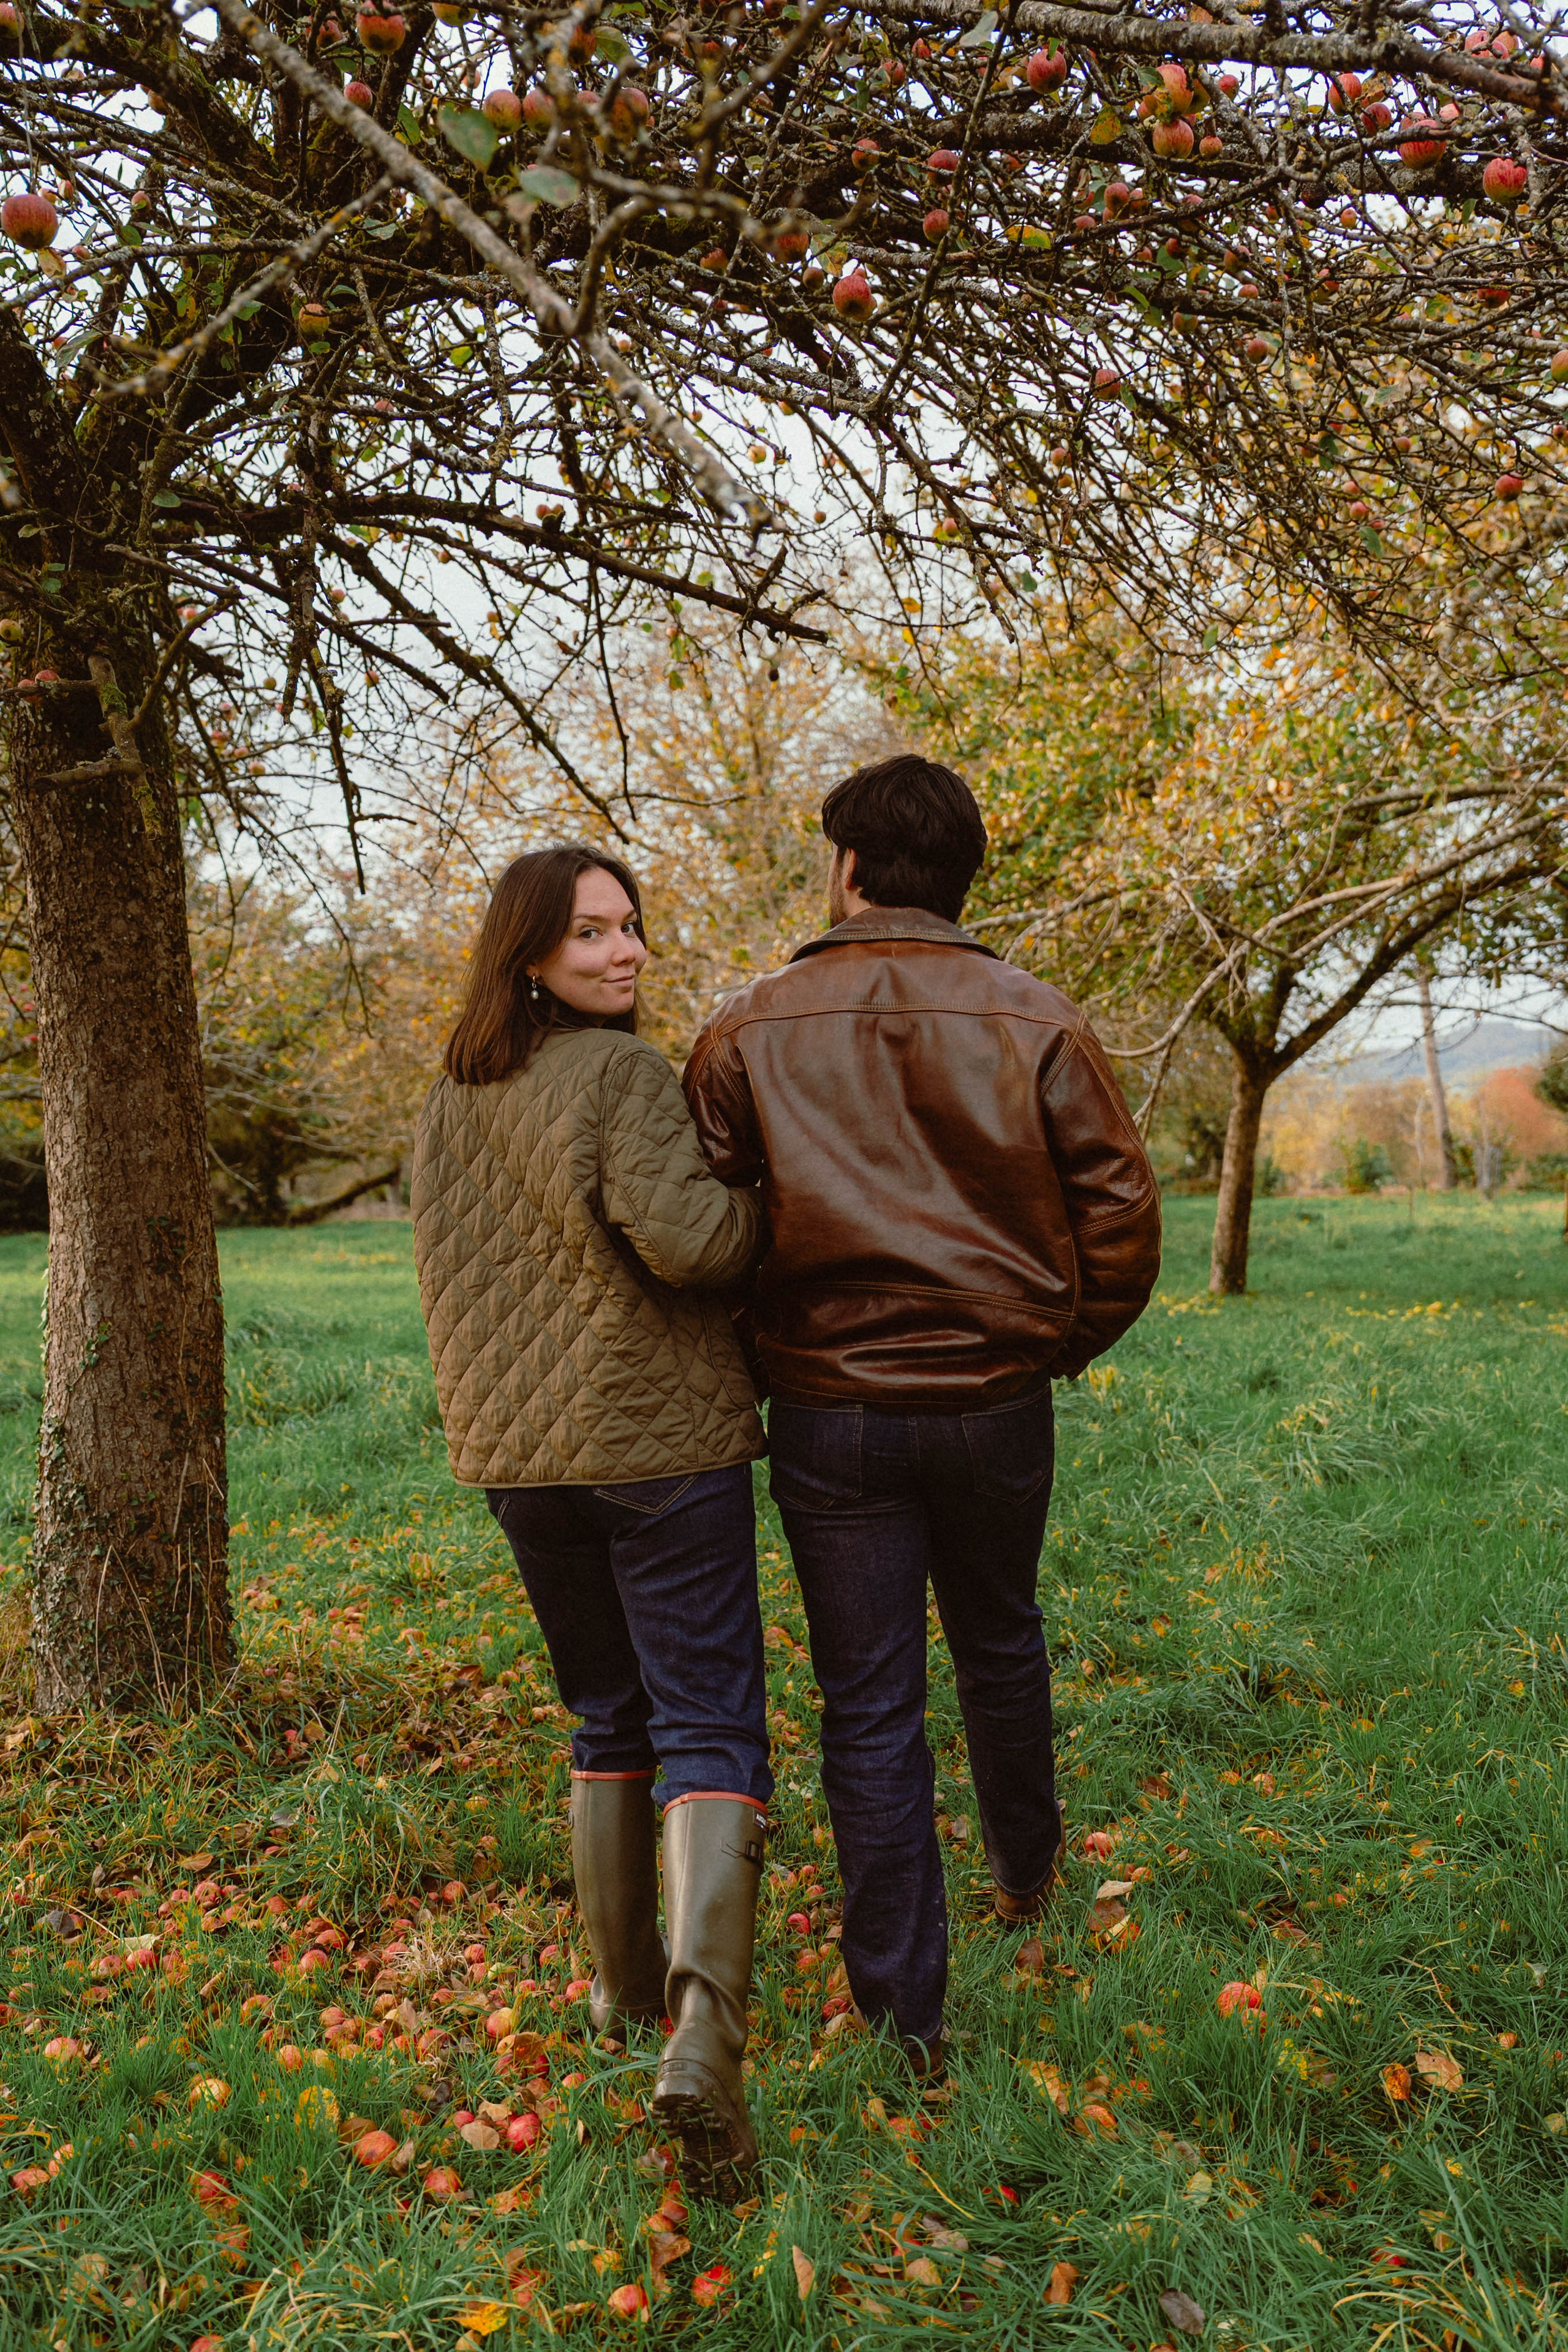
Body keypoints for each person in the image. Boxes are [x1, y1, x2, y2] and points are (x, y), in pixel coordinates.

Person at [684, 756, 1161, 2074]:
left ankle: (904, 2019)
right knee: (999, 1634)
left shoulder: (742, 1028)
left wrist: (767, 1348)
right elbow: (1120, 1216)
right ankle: (1024, 1871)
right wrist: (1053, 1344)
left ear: (845, 867)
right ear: (962, 878)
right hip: (996, 1397)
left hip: (829, 1410)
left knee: (868, 1703)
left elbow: (708, 1232)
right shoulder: (1039, 1020)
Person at [410, 843, 771, 2200]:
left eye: (631, 928)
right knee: (706, 1721)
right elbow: (688, 1244)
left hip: (518, 1462)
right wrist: (760, 1209)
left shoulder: (451, 1097)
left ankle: (623, 2007)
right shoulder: (622, 1076)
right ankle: (700, 2041)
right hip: (655, 1449)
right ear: (529, 958)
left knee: (603, 1718)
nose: (623, 954)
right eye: (590, 936)